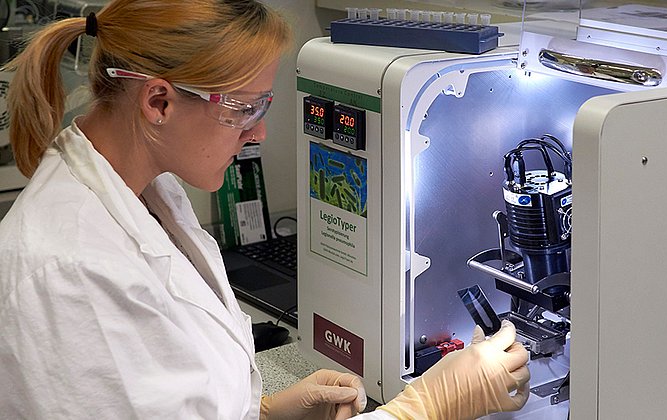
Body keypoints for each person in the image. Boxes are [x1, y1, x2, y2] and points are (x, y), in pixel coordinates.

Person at [0, 0, 530, 419]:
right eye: (243, 108)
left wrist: (259, 412)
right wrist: (426, 408)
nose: (259, 132)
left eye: (265, 105)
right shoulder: (71, 273)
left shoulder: (147, 192)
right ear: (157, 101)